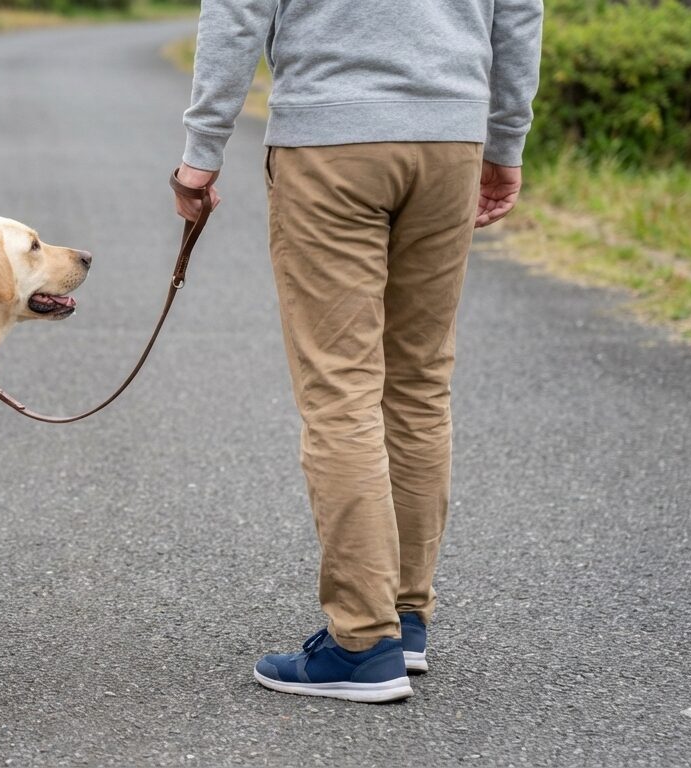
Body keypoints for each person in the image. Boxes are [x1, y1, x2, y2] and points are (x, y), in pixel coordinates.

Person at [173, 0, 543, 702]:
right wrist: (503, 142)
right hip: (450, 140)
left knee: (340, 388)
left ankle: (362, 644)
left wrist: (203, 148)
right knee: (420, 383)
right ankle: (404, 620)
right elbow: (519, 11)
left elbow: (239, 8)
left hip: (330, 137)